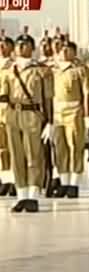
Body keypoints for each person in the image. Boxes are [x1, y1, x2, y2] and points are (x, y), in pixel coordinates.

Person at [5, 27, 54, 212]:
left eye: (24, 45)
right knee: (16, 156)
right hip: (13, 114)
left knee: (34, 156)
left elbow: (48, 97)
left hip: (32, 114)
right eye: (18, 45)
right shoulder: (9, 70)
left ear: (31, 48)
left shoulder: (42, 71)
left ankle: (33, 195)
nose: (20, 48)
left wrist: (50, 121)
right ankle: (21, 195)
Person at [50, 40, 89, 198]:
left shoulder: (80, 70)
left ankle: (74, 183)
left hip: (74, 110)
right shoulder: (53, 69)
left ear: (74, 52)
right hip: (57, 112)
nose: (64, 53)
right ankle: (64, 181)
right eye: (62, 50)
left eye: (68, 50)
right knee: (60, 148)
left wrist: (87, 115)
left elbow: (87, 93)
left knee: (75, 145)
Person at [0, 30, 15, 197]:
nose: (1, 48)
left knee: (13, 147)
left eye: (4, 45)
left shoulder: (14, 66)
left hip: (9, 109)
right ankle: (4, 179)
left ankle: (14, 180)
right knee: (1, 148)